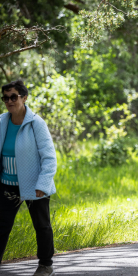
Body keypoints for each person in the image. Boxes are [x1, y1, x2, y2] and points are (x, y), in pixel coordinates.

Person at [0, 80, 57, 276]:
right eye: (5, 98)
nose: (9, 101)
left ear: (24, 98)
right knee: (1, 226)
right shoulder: (1, 122)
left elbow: (49, 158)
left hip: (35, 185)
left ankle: (46, 265)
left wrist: (43, 183)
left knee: (42, 226)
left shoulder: (36, 123)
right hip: (7, 185)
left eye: (13, 97)